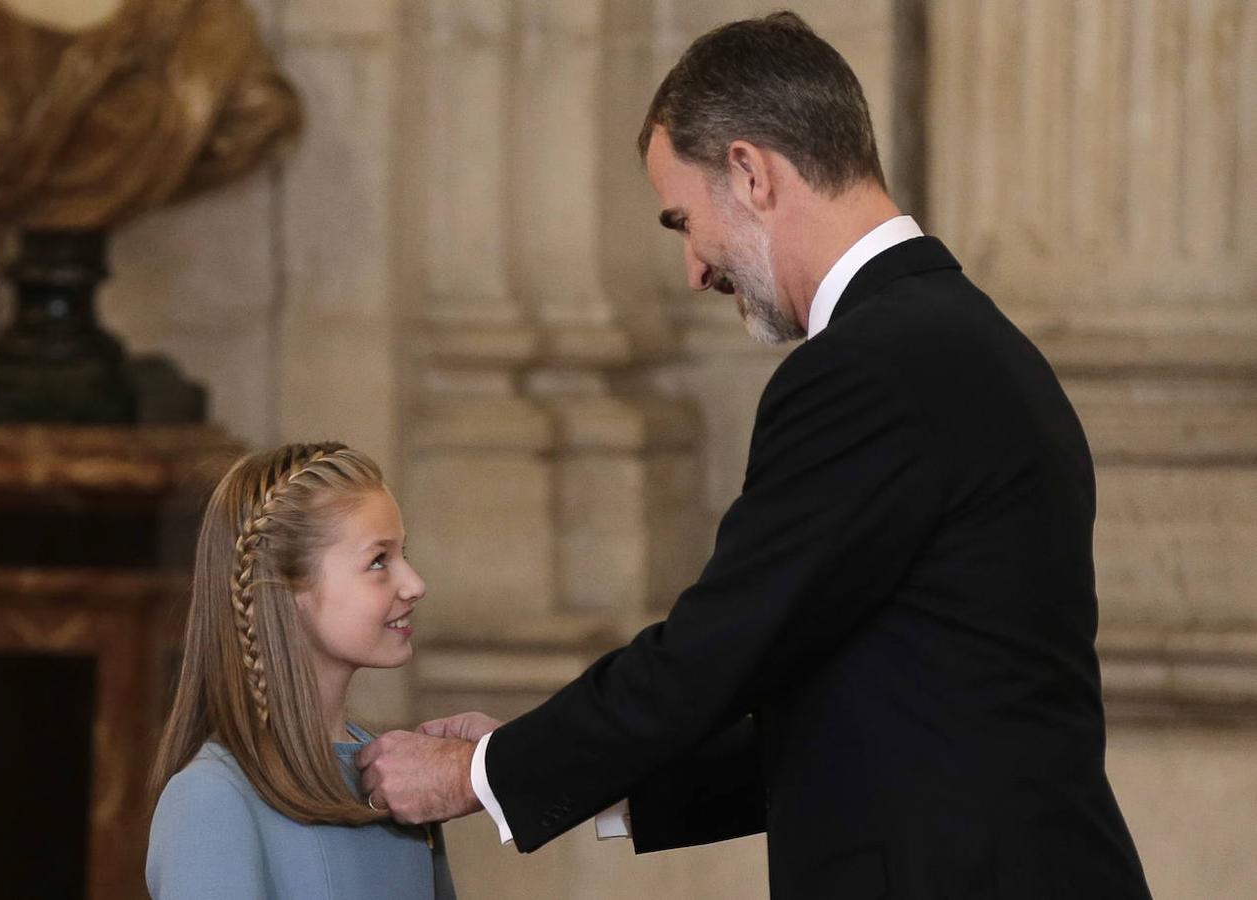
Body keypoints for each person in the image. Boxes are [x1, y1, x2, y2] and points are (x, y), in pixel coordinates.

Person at [358, 12, 1153, 898]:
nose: (695, 269)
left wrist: (478, 776)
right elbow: (859, 722)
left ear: (749, 172)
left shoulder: (868, 366)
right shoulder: (962, 340)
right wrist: (534, 760)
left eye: (682, 220)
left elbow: (712, 652)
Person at [145, 443, 455, 899]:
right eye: (378, 561)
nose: (414, 584)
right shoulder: (212, 799)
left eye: (401, 553)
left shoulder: (399, 779)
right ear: (289, 588)